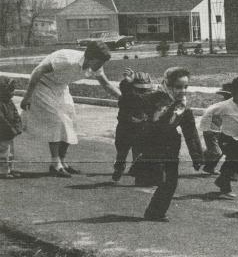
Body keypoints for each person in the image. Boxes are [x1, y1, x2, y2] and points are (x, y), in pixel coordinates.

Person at [20, 41, 120, 177]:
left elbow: (107, 85)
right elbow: (39, 71)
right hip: (42, 84)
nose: (101, 65)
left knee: (70, 121)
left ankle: (62, 162)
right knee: (57, 120)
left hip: (61, 87)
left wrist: (125, 99)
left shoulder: (96, 67)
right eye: (99, 61)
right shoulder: (68, 59)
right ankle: (55, 164)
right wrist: (27, 97)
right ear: (89, 57)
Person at [130, 67, 203, 222]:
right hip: (151, 142)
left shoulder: (182, 107)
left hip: (170, 145)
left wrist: (197, 156)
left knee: (171, 182)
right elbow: (134, 109)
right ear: (167, 84)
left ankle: (155, 212)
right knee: (158, 176)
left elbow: (190, 132)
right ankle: (143, 172)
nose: (182, 91)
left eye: (185, 87)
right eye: (178, 87)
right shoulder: (153, 99)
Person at [200, 76, 238, 199]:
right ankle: (224, 184)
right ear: (233, 94)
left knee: (235, 162)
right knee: (234, 161)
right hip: (226, 137)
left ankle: (221, 178)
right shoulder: (225, 105)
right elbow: (209, 111)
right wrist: (209, 127)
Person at [112, 69, 154, 183]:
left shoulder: (150, 98)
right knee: (122, 152)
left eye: (145, 90)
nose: (142, 92)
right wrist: (128, 81)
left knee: (138, 151)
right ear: (132, 88)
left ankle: (138, 173)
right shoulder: (126, 97)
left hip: (141, 128)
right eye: (138, 90)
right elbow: (124, 88)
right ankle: (119, 167)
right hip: (125, 129)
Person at [200, 82, 232, 175]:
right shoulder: (221, 106)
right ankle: (199, 157)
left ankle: (209, 167)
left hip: (218, 130)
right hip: (211, 131)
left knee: (221, 150)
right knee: (217, 152)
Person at [0, 78, 22, 178]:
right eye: (10, 91)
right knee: (3, 152)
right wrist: (11, 129)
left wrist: (18, 126)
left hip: (10, 133)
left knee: (10, 152)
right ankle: (3, 171)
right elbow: (2, 119)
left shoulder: (9, 102)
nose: (12, 93)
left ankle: (9, 169)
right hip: (3, 133)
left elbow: (16, 114)